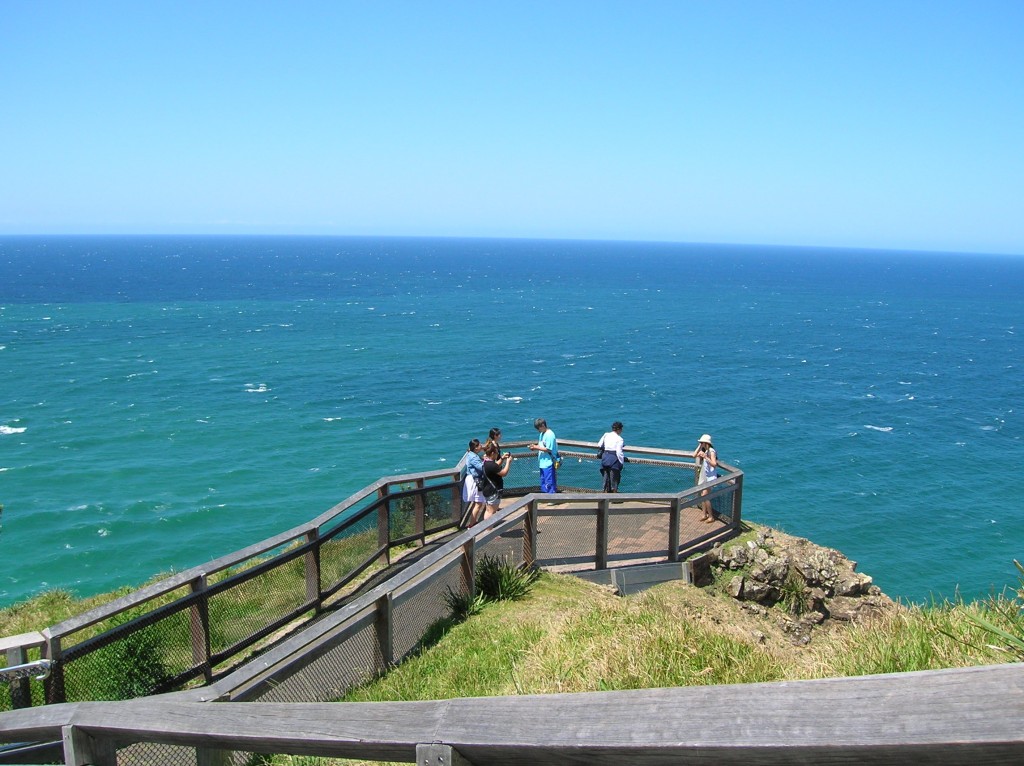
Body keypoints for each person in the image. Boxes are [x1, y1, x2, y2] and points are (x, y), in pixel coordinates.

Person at [480, 442, 513, 519]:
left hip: (488, 489)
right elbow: (504, 473)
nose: (497, 454)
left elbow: (496, 466)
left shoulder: (486, 462)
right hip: (493, 492)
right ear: (492, 453)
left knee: (488, 510)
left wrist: (502, 458)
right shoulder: (491, 465)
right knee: (491, 511)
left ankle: (487, 528)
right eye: (497, 452)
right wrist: (508, 462)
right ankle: (489, 529)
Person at [528, 418, 559, 493]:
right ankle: (546, 496)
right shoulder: (542, 434)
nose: (538, 430)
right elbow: (541, 445)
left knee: (549, 481)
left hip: (549, 462)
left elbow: (549, 449)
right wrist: (534, 447)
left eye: (538, 428)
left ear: (543, 425)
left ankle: (551, 497)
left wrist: (536, 447)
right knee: (544, 481)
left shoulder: (550, 435)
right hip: (542, 462)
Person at [461, 438, 487, 527]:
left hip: (472, 479)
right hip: (475, 480)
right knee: (479, 503)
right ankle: (471, 525)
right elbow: (481, 467)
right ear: (475, 448)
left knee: (475, 502)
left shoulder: (470, 454)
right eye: (479, 445)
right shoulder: (473, 457)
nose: (481, 446)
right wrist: (487, 461)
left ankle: (473, 521)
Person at [695, 433, 719, 522]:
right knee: (702, 495)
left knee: (705, 496)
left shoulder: (711, 451)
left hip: (710, 477)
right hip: (705, 476)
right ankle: (704, 514)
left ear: (706, 443)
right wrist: (699, 446)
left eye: (702, 442)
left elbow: (714, 464)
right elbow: (694, 455)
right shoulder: (705, 450)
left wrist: (705, 457)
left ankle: (711, 516)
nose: (701, 444)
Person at [597, 421, 625, 492]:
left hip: (605, 458)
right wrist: (621, 462)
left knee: (605, 480)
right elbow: (619, 452)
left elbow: (599, 444)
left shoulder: (606, 435)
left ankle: (604, 498)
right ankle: (614, 499)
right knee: (614, 481)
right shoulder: (620, 439)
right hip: (614, 460)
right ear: (619, 429)